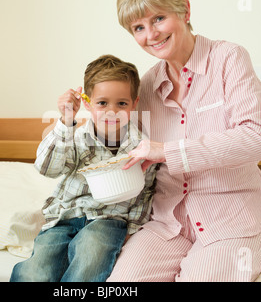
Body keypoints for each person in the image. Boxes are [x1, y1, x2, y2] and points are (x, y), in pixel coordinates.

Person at [107, 0, 261, 282]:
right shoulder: (146, 86)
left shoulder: (229, 58)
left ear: (185, 10)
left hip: (233, 219)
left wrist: (168, 151)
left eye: (158, 19)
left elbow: (260, 137)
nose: (151, 35)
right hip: (167, 223)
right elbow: (127, 149)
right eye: (138, 27)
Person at [10, 54, 157, 282]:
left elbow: (145, 192)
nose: (111, 111)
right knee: (35, 271)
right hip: (64, 218)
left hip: (109, 220)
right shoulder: (75, 137)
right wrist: (66, 120)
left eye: (122, 103)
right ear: (88, 103)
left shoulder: (142, 147)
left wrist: (133, 229)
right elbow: (47, 168)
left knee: (91, 256)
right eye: (102, 103)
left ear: (134, 104)